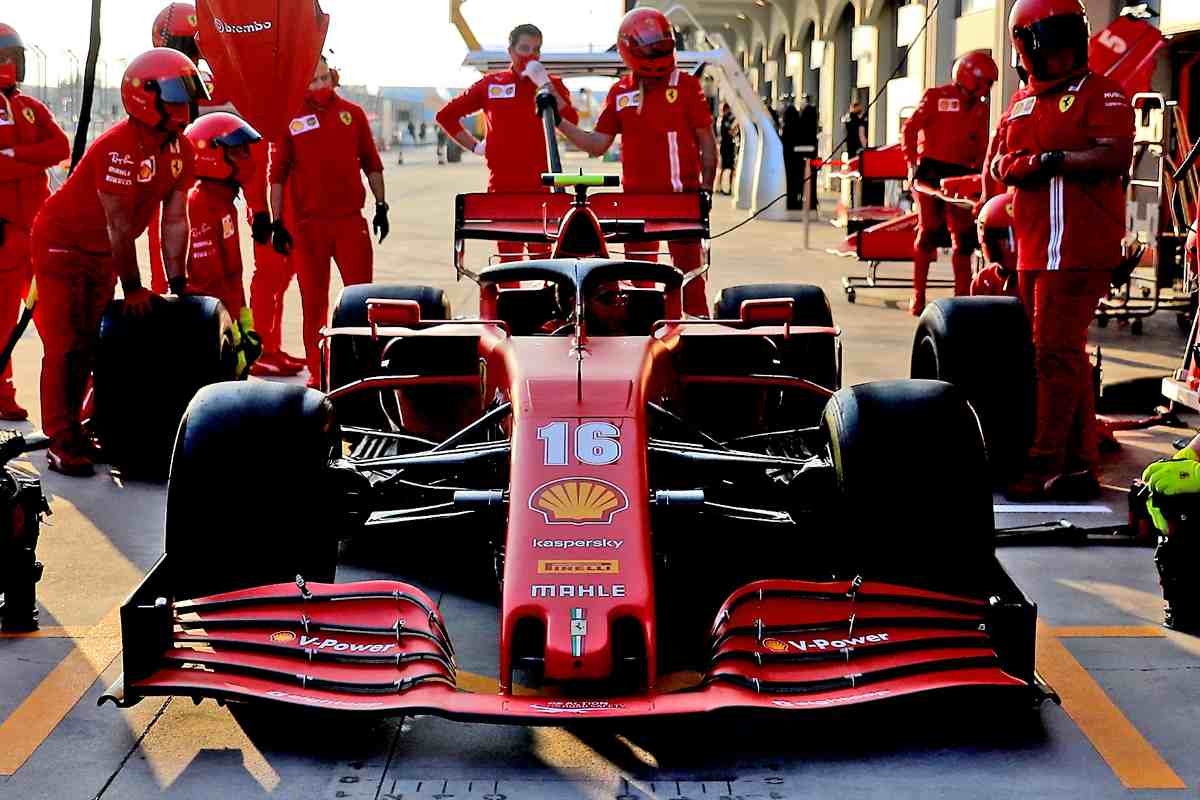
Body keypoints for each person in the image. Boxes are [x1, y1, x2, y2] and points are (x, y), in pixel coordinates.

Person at [30, 48, 205, 475]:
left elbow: (176, 219)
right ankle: (60, 439)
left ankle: (82, 427)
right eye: (174, 94)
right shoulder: (119, 148)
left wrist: (178, 285)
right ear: (145, 96)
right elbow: (119, 228)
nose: (184, 105)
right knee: (66, 345)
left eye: (186, 94)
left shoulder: (180, 148)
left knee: (94, 344)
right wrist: (134, 287)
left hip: (102, 255)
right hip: (61, 247)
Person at [992, 0, 1134, 500]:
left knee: (1054, 354)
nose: (1063, 51)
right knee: (1057, 354)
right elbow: (1000, 165)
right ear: (1026, 47)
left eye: (1070, 37)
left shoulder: (1103, 93)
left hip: (1079, 248)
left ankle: (1047, 463)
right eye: (1052, 40)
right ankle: (1079, 461)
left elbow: (1114, 152)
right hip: (1034, 249)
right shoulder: (1020, 103)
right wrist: (1031, 164)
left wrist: (1051, 160)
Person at [148, 3, 298, 376]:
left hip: (218, 199)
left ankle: (258, 345)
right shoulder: (151, 85)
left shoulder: (225, 81)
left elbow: (248, 149)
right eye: (188, 43)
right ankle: (173, 360)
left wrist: (259, 210)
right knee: (168, 285)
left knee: (256, 273)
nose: (194, 52)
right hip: (171, 201)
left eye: (198, 43)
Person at [556, 8, 717, 316]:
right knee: (640, 285)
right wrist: (558, 121)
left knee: (691, 283)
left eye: (660, 44)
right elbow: (595, 145)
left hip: (681, 202)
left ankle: (698, 343)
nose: (655, 51)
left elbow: (706, 142)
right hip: (637, 205)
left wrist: (705, 190)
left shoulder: (685, 86)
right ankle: (644, 344)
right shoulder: (619, 93)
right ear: (628, 48)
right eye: (648, 45)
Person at [269, 56, 388, 387]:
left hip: (350, 223)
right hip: (309, 227)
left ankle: (363, 368)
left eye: (324, 78)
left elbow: (372, 163)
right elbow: (276, 176)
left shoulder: (353, 114)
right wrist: (278, 222)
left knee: (362, 300)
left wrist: (381, 205)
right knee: (314, 302)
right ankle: (318, 372)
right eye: (313, 81)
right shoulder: (291, 119)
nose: (321, 86)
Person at [435, 23, 579, 263]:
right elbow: (446, 116)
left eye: (536, 50)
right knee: (509, 264)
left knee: (545, 264)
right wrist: (475, 146)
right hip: (503, 190)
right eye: (524, 48)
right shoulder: (492, 84)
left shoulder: (550, 84)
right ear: (510, 50)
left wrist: (546, 85)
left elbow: (571, 120)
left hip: (542, 189)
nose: (530, 55)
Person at [0, 24, 69, 421]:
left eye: (14, 58)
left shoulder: (31, 107)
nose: (10, 65)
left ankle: (66, 406)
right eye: (3, 58)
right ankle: (1, 393)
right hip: (4, 234)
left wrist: (14, 153)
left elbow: (60, 147)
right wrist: (28, 159)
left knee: (55, 319)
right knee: (1, 322)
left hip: (38, 234)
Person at [902, 51, 998, 314]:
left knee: (964, 239)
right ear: (971, 77)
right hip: (931, 171)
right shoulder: (936, 96)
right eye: (986, 82)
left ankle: (961, 301)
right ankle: (918, 295)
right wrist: (911, 164)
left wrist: (982, 178)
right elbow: (910, 129)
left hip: (960, 175)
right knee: (928, 231)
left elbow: (981, 147)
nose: (988, 89)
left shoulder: (980, 108)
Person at [182, 112, 263, 377]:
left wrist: (247, 328)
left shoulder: (224, 204)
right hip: (206, 329)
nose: (246, 159)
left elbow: (234, 278)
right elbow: (209, 284)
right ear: (212, 155)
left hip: (225, 324)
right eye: (237, 152)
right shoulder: (199, 205)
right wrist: (234, 334)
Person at [781, 96, 804, 209]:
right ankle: (797, 200)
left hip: (787, 158)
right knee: (797, 181)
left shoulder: (785, 129)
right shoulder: (799, 127)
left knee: (789, 181)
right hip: (797, 158)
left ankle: (790, 200)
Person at [797, 94, 819, 210]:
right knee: (812, 176)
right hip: (812, 148)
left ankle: (804, 197)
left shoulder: (804, 113)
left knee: (803, 176)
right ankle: (812, 200)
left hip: (803, 149)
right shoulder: (813, 112)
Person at [716, 102, 737, 195]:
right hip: (726, 146)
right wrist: (733, 129)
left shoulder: (722, 119)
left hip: (725, 146)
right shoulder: (724, 119)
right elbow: (729, 132)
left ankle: (721, 187)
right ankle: (722, 187)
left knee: (726, 168)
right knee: (726, 167)